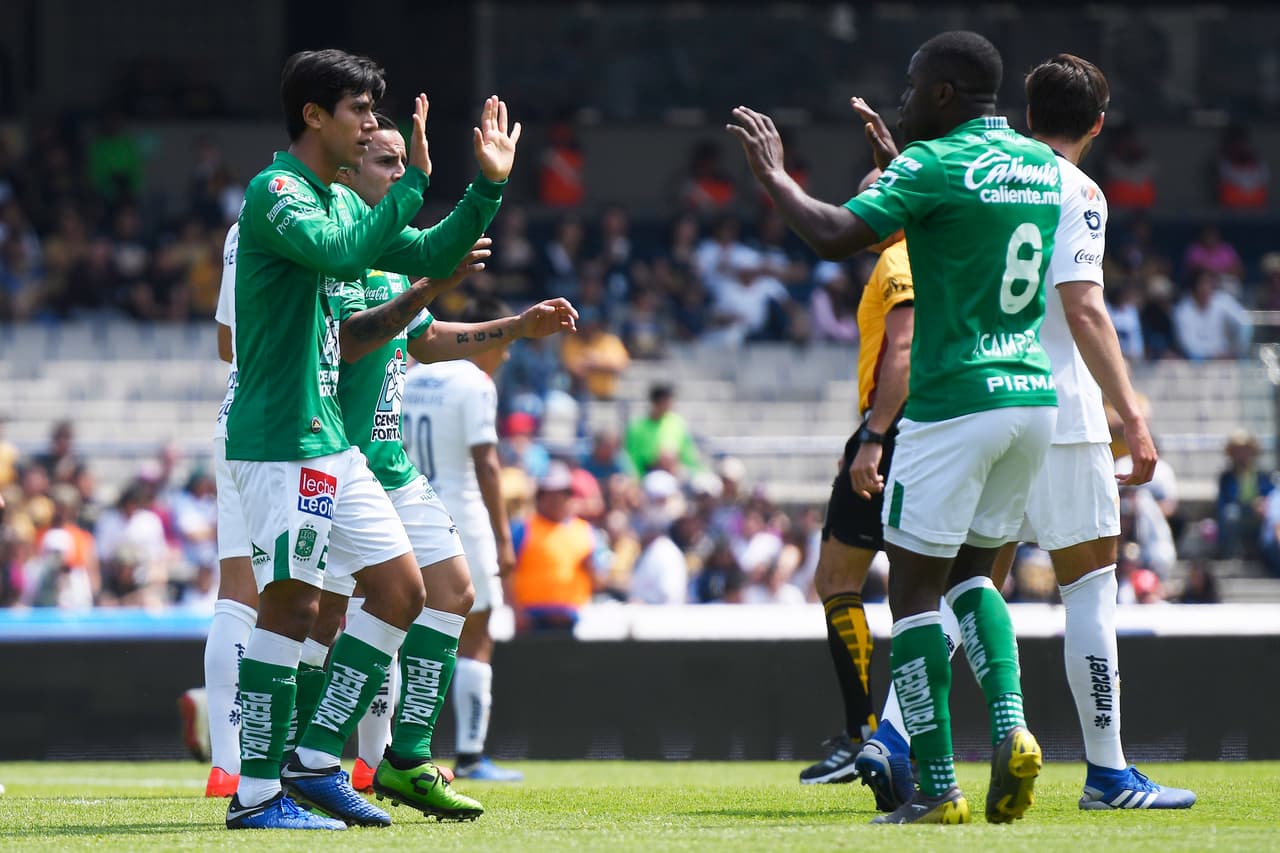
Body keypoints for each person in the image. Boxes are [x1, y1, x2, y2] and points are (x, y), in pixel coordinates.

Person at [730, 30, 1060, 825]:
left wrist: (776, 176)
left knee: (912, 592)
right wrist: (909, 152)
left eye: (914, 87)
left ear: (944, 92)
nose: (904, 99)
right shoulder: (1044, 166)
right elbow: (963, 215)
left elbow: (836, 233)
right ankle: (1012, 729)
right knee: (975, 578)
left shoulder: (929, 167)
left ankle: (939, 787)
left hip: (952, 402)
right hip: (1030, 397)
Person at [221, 49, 515, 831]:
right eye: (357, 109)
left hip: (330, 441)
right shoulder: (277, 193)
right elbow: (340, 255)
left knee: (404, 590)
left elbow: (426, 256)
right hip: (279, 436)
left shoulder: (339, 202)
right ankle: (255, 793)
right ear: (314, 115)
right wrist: (413, 183)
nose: (369, 122)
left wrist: (486, 186)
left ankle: (318, 762)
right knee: (291, 602)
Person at [296, 115, 574, 812]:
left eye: (402, 161)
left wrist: (517, 326)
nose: (398, 174)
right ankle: (298, 757)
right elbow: (357, 343)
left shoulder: (389, 255)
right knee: (319, 621)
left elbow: (425, 339)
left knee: (452, 591)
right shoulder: (338, 255)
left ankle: (406, 757)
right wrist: (428, 285)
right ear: (346, 170)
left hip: (390, 465)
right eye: (385, 161)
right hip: (335, 461)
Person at [986, 54, 1193, 811]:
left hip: (984, 402)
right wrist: (1132, 413)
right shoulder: (1077, 188)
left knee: (964, 587)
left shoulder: (985, 177)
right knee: (1089, 589)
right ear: (1098, 124)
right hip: (1063, 411)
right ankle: (1107, 772)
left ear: (1026, 112)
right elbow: (1083, 306)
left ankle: (898, 739)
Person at [797, 164, 920, 788]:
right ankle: (900, 735)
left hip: (892, 429)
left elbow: (902, 350)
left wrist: (874, 434)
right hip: (927, 428)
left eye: (877, 191)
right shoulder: (930, 253)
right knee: (926, 588)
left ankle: (867, 735)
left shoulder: (898, 263)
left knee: (841, 579)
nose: (863, 204)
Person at [399, 295, 534, 782]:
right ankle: (472, 756)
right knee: (476, 636)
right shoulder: (475, 383)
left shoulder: (410, 375)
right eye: (506, 340)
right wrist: (503, 538)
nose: (508, 352)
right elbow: (487, 463)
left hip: (406, 510)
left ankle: (389, 752)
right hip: (462, 516)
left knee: (397, 632)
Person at [624, 383, 701, 476]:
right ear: (657, 402)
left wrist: (697, 473)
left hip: (676, 473)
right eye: (667, 400)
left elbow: (687, 454)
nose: (671, 404)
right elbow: (633, 458)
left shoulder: (677, 422)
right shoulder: (638, 428)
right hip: (649, 474)